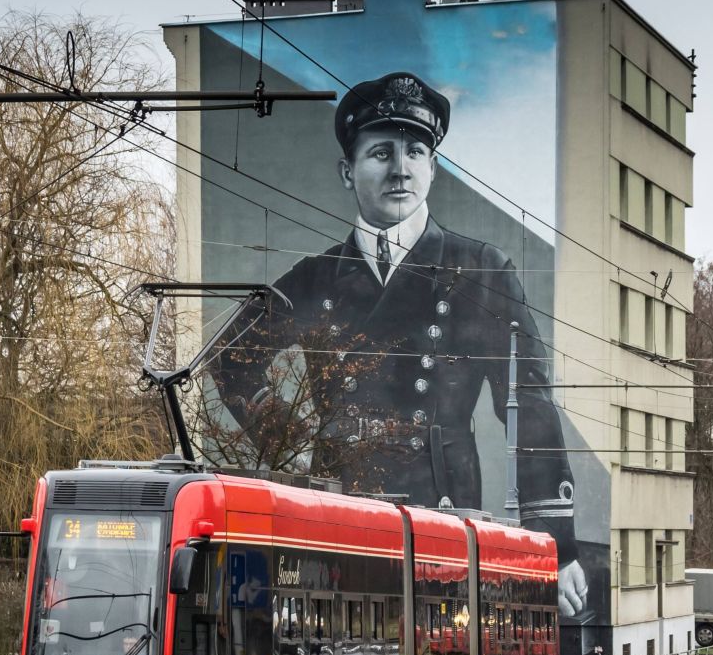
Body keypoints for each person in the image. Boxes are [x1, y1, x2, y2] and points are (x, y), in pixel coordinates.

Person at [212, 70, 588, 618]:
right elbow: (231, 360)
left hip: (443, 504)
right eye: (381, 153)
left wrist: (557, 545)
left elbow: (529, 403)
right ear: (348, 171)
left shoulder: (481, 269)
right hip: (338, 504)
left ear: (432, 168)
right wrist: (290, 444)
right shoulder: (314, 278)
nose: (401, 168)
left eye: (415, 151)